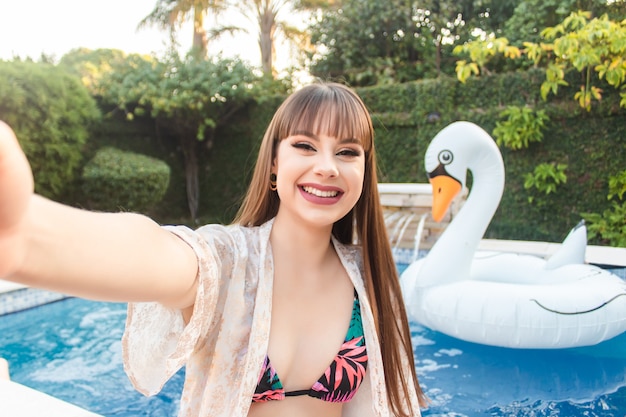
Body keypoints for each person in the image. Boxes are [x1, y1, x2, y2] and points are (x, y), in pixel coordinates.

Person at [0, 82, 427, 417]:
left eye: (348, 152)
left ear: (363, 170)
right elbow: (155, 251)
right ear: (275, 163)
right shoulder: (227, 263)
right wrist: (25, 238)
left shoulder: (369, 284)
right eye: (305, 145)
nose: (327, 166)